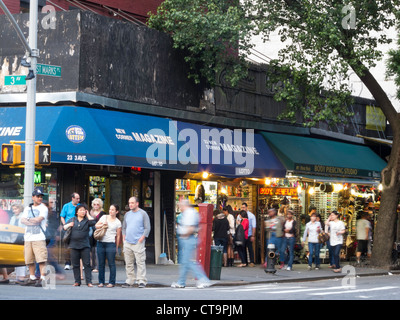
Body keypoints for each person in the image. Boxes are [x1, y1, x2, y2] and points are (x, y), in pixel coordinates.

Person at [171, 200, 211, 289]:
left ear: (184, 205)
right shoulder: (188, 213)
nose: (180, 208)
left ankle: (203, 279)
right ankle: (181, 282)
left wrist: (183, 235)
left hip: (188, 238)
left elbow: (191, 228)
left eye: (180, 206)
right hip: (187, 238)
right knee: (185, 262)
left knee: (188, 262)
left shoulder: (189, 213)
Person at [19, 189, 48, 287]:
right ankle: (32, 277)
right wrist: (30, 220)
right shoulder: (27, 208)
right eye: (37, 196)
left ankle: (43, 278)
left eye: (41, 196)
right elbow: (22, 220)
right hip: (27, 237)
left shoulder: (43, 208)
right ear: (33, 197)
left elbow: (39, 220)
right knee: (29, 259)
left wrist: (28, 220)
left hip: (39, 236)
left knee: (41, 259)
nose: (40, 198)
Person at [63, 204, 96, 287]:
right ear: (77, 212)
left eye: (84, 210)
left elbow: (93, 222)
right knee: (75, 264)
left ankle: (89, 281)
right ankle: (77, 281)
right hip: (73, 245)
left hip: (85, 245)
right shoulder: (72, 220)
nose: (82, 211)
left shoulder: (87, 221)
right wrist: (69, 225)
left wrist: (88, 214)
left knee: (87, 264)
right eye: (80, 210)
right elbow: (64, 227)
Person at [122, 197, 151, 288]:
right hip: (128, 242)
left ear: (137, 203)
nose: (130, 204)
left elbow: (147, 228)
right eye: (129, 203)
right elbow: (124, 227)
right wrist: (124, 238)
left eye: (132, 203)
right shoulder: (127, 214)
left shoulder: (143, 213)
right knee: (128, 263)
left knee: (140, 262)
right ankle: (129, 280)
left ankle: (141, 280)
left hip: (138, 242)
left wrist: (141, 239)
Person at [95, 204, 122, 287]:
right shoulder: (104, 217)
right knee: (101, 263)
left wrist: (116, 247)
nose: (111, 211)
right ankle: (101, 282)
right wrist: (103, 225)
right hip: (101, 242)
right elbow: (96, 226)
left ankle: (111, 282)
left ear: (116, 212)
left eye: (113, 210)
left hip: (111, 243)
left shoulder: (118, 222)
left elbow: (118, 236)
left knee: (111, 263)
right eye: (110, 209)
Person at [60, 192, 80, 270]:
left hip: (78, 228)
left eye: (79, 198)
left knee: (78, 246)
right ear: (73, 198)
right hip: (68, 227)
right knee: (67, 246)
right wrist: (65, 224)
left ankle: (77, 263)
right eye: (77, 198)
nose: (78, 200)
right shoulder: (66, 206)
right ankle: (67, 263)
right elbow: (62, 216)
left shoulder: (80, 206)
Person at [89, 198, 106, 273]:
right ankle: (92, 266)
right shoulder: (91, 212)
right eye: (94, 204)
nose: (96, 206)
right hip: (90, 232)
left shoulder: (102, 213)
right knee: (91, 250)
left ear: (100, 205)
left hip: (98, 232)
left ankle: (98, 266)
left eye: (97, 204)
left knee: (97, 250)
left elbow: (101, 223)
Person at [10, 203, 26, 282]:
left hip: (21, 238)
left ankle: (21, 276)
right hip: (14, 238)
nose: (14, 211)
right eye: (13, 209)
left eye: (16, 209)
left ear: (20, 209)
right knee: (16, 257)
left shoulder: (23, 216)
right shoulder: (13, 218)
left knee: (21, 257)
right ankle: (17, 276)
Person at [241, 203, 256, 267]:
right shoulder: (240, 215)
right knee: (243, 248)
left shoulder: (251, 216)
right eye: (242, 207)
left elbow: (253, 226)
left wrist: (253, 235)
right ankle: (245, 262)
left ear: (247, 207)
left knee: (250, 248)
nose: (243, 209)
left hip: (249, 234)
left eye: (244, 207)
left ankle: (252, 261)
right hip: (243, 235)